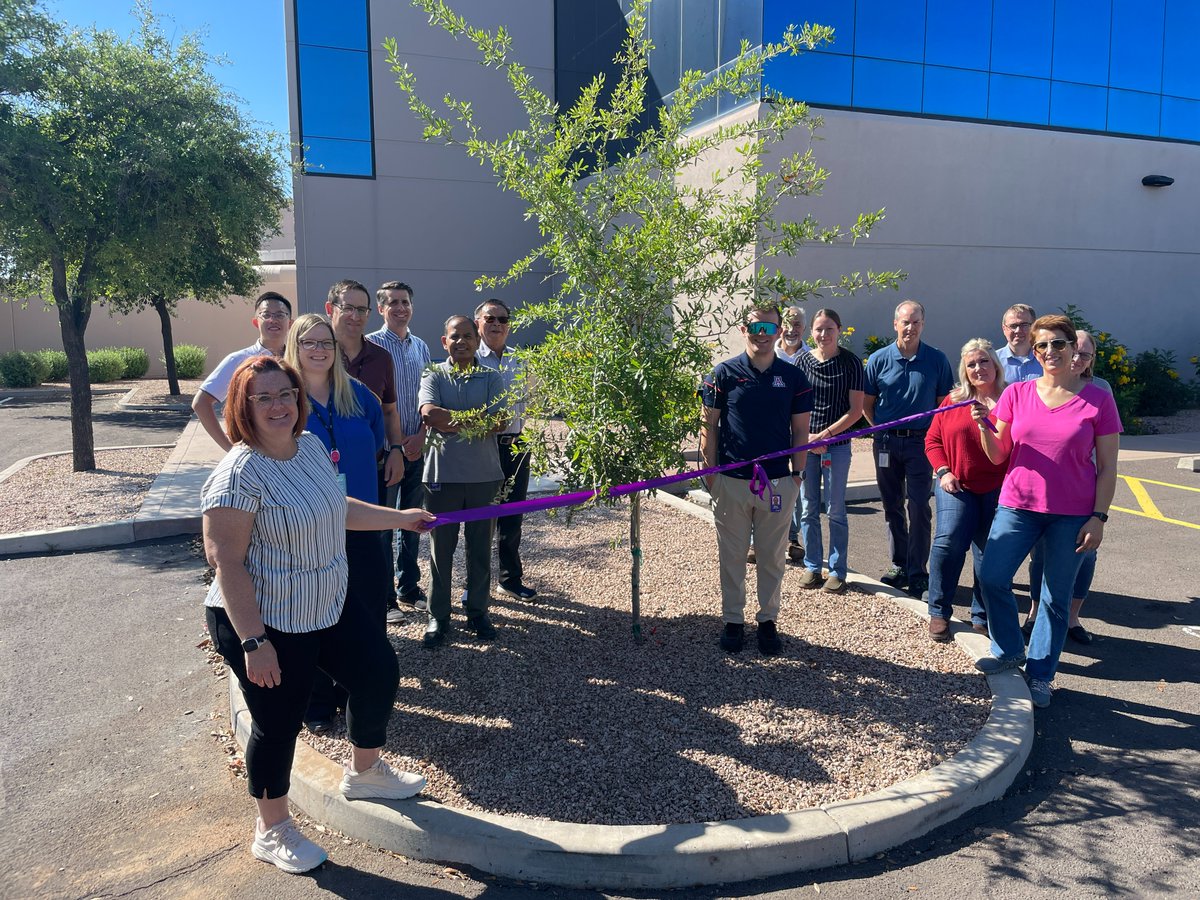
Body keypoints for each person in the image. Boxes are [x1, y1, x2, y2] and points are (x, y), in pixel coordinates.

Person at [202, 355, 433, 874]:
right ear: (244, 406)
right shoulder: (236, 476)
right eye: (263, 398)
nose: (278, 405)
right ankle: (272, 828)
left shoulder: (307, 445)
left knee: (377, 673)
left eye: (284, 393)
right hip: (263, 618)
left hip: (323, 602)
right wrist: (253, 642)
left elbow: (335, 505)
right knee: (278, 723)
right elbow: (226, 562)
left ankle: (366, 772)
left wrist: (400, 518)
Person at [973, 315, 1121, 709]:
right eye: (1042, 346)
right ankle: (1008, 649)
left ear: (1074, 348)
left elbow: (1108, 467)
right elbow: (999, 454)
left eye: (1058, 344)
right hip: (1018, 505)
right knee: (991, 576)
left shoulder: (1099, 399)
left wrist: (1099, 517)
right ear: (1034, 352)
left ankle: (1040, 676)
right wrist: (986, 429)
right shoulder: (1017, 394)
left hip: (1072, 514)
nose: (1050, 352)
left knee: (1055, 598)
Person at [284, 314, 390, 733]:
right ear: (295, 345)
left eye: (326, 342)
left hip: (360, 523)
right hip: (308, 528)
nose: (319, 349)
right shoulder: (285, 400)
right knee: (314, 611)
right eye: (309, 342)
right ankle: (317, 699)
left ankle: (359, 694)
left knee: (365, 607)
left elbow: (378, 444)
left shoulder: (359, 396)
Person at [700, 305, 812, 656]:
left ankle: (767, 621)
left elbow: (801, 431)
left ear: (779, 330)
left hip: (778, 482)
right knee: (731, 555)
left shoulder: (793, 378)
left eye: (769, 326)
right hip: (731, 481)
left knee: (772, 557)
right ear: (743, 329)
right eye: (755, 326)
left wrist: (797, 475)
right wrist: (711, 476)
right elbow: (709, 427)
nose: (762, 333)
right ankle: (733, 621)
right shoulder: (722, 373)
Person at [419, 315, 508, 647]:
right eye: (455, 337)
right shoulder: (434, 374)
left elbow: (500, 420)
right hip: (442, 477)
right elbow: (429, 414)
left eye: (468, 336)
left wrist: (451, 421)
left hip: (484, 477)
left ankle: (477, 611)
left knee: (481, 548)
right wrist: (475, 421)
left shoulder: (490, 377)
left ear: (476, 340)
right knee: (441, 550)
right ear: (445, 341)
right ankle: (438, 616)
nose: (462, 342)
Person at [1021, 329, 1114, 646]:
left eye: (1085, 354)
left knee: (1085, 556)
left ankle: (1072, 617)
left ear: (1091, 359)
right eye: (1074, 351)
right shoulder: (1043, 385)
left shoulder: (1101, 390)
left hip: (1083, 490)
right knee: (1041, 556)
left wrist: (1099, 513)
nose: (1077, 359)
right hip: (1042, 492)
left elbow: (1107, 456)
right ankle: (1034, 612)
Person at [863, 300, 955, 598]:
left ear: (923, 325)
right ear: (895, 324)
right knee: (891, 505)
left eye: (916, 322)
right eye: (905, 321)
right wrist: (881, 427)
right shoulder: (878, 359)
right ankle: (899, 564)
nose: (910, 327)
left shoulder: (936, 360)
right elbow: (867, 403)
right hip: (887, 442)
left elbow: (943, 403)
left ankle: (918, 571)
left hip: (921, 443)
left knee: (919, 507)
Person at [923, 339, 1008, 641]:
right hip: (956, 484)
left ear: (995, 364)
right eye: (971, 364)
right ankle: (938, 611)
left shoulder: (1012, 399)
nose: (978, 368)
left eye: (984, 361)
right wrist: (943, 471)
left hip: (998, 489)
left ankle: (981, 616)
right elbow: (932, 441)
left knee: (989, 554)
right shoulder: (954, 400)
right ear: (964, 369)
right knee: (948, 542)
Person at [367, 281, 432, 618]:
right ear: (381, 309)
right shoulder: (371, 347)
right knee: (382, 524)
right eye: (392, 302)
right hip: (384, 453)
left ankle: (408, 586)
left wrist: (420, 434)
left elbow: (428, 398)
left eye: (405, 301)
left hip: (416, 450)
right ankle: (384, 597)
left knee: (412, 521)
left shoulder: (420, 347)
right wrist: (394, 445)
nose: (400, 308)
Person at [795, 308, 864, 593]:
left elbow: (856, 410)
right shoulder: (801, 361)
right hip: (805, 446)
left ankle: (837, 570)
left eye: (830, 329)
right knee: (808, 508)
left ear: (839, 330)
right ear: (811, 331)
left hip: (836, 446)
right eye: (819, 329)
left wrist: (824, 435)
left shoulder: (851, 363)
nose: (824, 335)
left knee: (836, 509)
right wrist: (806, 438)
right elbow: (793, 405)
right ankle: (812, 566)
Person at [475, 298, 539, 601]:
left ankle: (510, 580)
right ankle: (475, 587)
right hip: (482, 447)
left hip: (516, 445)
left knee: (513, 517)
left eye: (503, 319)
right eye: (490, 319)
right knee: (481, 519)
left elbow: (532, 398)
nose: (497, 324)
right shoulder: (469, 359)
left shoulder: (521, 360)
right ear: (479, 323)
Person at [192, 292, 292, 451]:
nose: (273, 319)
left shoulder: (297, 360)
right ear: (255, 322)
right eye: (266, 315)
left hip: (295, 452)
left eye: (280, 314)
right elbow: (201, 403)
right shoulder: (238, 360)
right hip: (256, 454)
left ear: (290, 323)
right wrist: (230, 449)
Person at [996, 303, 1042, 384]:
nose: (1018, 330)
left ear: (1034, 327)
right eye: (1013, 326)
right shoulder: (994, 361)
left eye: (1024, 325)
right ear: (1004, 329)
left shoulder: (1045, 358)